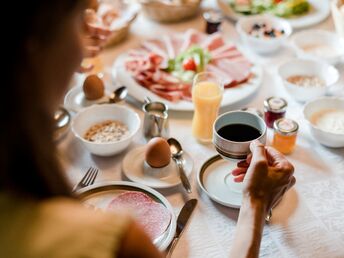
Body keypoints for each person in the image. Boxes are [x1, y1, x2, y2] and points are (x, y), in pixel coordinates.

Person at [0, 0, 294, 257]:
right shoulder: (111, 240)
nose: (84, 51)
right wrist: (255, 202)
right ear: (33, 46)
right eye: (79, 23)